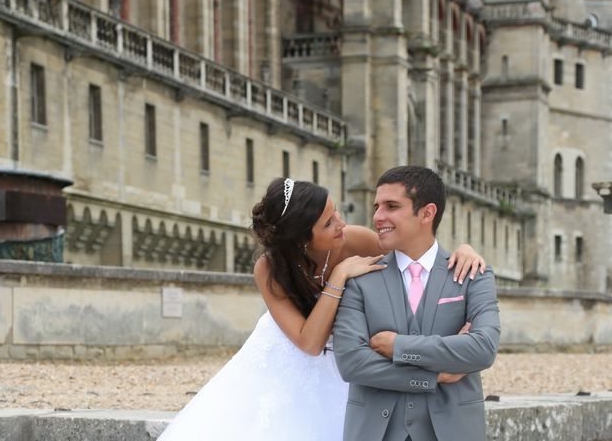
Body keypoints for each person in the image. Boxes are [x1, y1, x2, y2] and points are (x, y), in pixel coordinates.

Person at [157, 177, 486, 441]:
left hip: (348, 352)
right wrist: (339, 277)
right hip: (290, 354)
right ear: (303, 239)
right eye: (329, 222)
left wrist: (464, 250)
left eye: (337, 211)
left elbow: (416, 256)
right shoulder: (269, 269)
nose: (342, 223)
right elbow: (309, 343)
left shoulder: (357, 239)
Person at [333, 166, 500, 441]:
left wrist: (397, 346)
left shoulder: (473, 275)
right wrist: (435, 377)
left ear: (427, 213)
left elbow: (483, 349)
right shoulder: (360, 278)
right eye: (376, 206)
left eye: (391, 206)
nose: (377, 217)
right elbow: (352, 363)